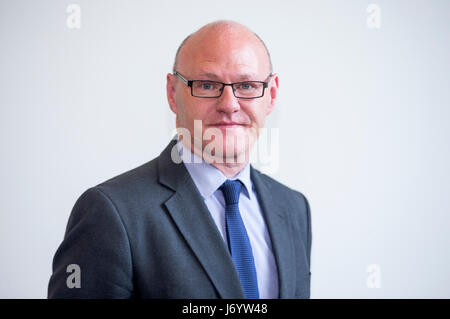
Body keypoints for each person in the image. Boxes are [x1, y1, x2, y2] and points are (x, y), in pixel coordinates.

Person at [48, 20, 312, 299]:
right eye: (208, 85)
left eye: (246, 85)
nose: (229, 104)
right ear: (172, 93)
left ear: (270, 95)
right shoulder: (111, 213)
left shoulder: (294, 208)